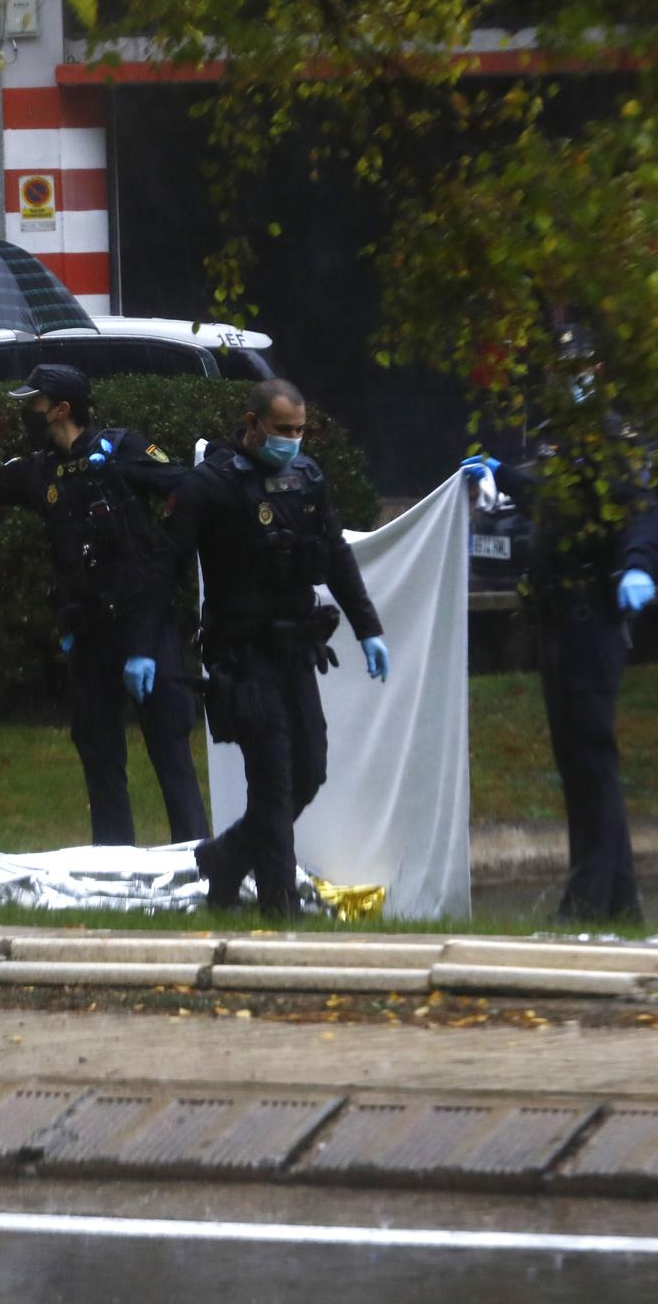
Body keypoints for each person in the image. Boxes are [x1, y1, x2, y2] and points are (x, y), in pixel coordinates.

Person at [128, 378, 389, 917]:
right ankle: (279, 906)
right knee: (272, 777)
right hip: (241, 654)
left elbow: (335, 552)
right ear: (251, 423)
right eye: (281, 430)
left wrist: (369, 628)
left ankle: (225, 860)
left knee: (309, 772)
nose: (291, 441)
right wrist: (142, 647)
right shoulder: (209, 485)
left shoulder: (307, 478)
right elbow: (163, 565)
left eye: (300, 431)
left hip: (296, 650)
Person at [463, 369, 658, 922]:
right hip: (559, 626)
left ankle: (586, 900)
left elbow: (641, 512)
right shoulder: (570, 451)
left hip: (590, 624)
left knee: (591, 760)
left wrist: (639, 567)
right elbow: (560, 506)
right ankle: (620, 903)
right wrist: (504, 477)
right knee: (580, 763)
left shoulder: (610, 451)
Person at [0, 364, 207, 847]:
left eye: (34, 403)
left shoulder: (122, 449)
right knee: (99, 753)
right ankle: (112, 863)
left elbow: (187, 486)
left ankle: (196, 862)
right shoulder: (38, 470)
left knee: (170, 746)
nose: (28, 412)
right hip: (88, 632)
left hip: (145, 626)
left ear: (61, 409)